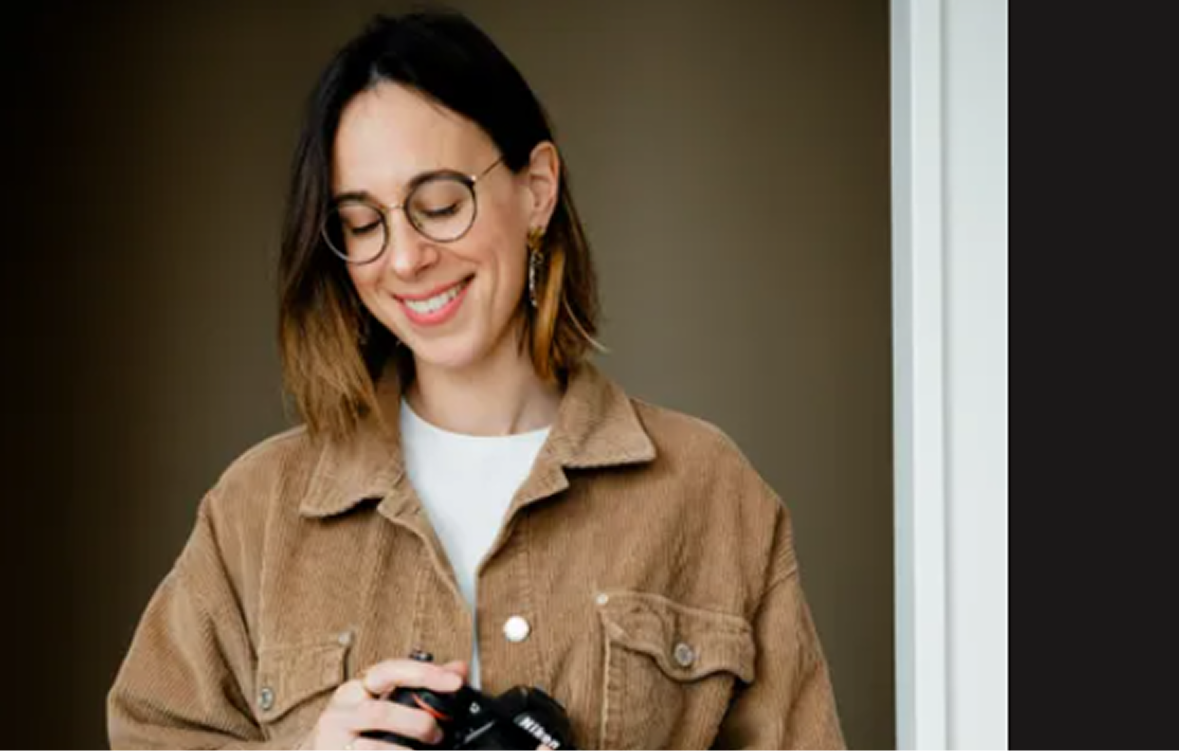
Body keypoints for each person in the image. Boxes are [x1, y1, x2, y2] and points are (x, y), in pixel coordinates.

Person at [108, 10, 845, 751]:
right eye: (364, 223)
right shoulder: (258, 511)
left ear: (537, 189)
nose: (404, 259)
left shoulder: (709, 493)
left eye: (439, 204)